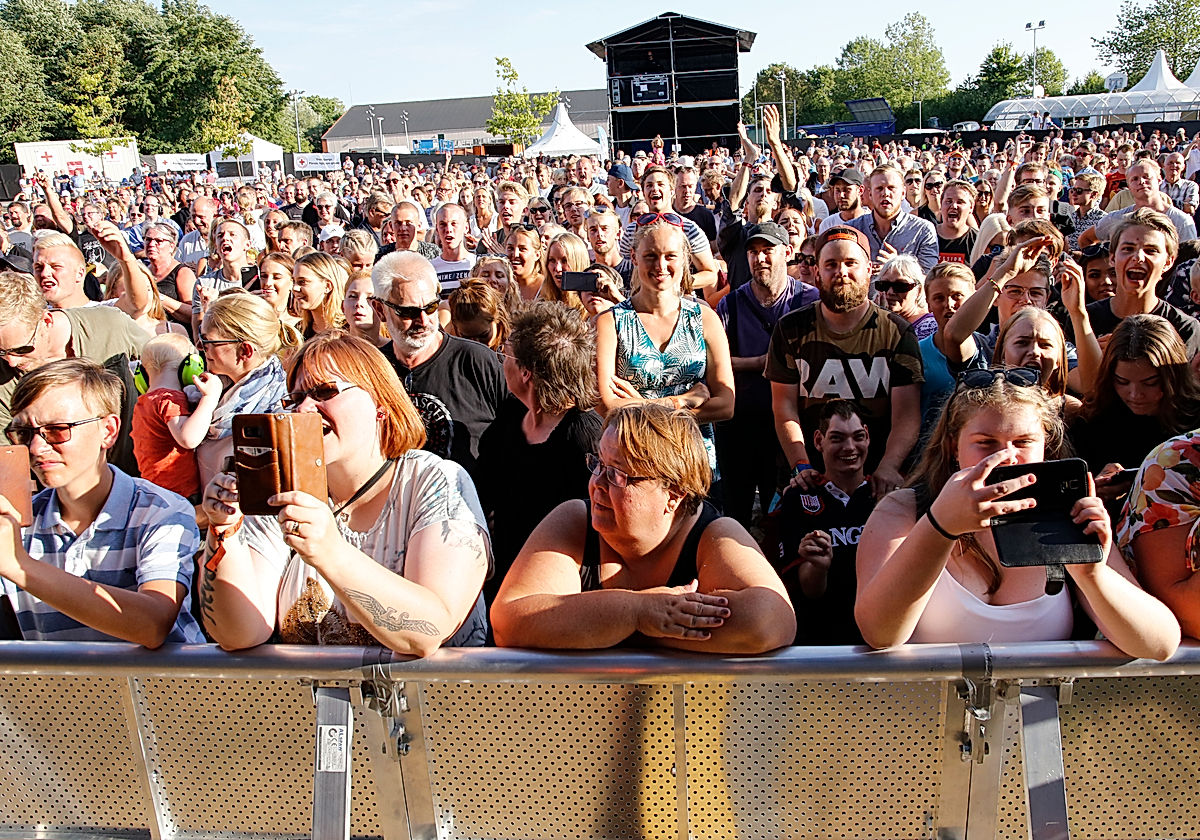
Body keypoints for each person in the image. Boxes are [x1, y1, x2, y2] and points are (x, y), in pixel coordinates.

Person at [854, 369, 1180, 659]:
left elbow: (1159, 644)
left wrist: (1093, 577)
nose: (1007, 458)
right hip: (922, 721)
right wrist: (940, 528)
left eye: (1023, 441)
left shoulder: (1067, 514)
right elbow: (880, 633)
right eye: (985, 442)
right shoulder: (904, 511)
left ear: (1046, 446)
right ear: (954, 446)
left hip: (1038, 724)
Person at [199, 333, 490, 652]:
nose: (306, 407)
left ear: (381, 404)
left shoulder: (432, 480)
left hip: (435, 700)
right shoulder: (284, 491)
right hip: (312, 701)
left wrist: (328, 551)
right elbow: (239, 634)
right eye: (294, 400)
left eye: (325, 391)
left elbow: (428, 630)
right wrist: (224, 533)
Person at [490, 402, 795, 652]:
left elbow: (769, 621)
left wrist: (596, 626)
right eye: (598, 464)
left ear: (674, 495)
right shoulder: (574, 521)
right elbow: (510, 621)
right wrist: (638, 613)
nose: (597, 483)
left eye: (618, 475)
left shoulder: (714, 535)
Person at [0, 359, 203, 644]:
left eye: (57, 430)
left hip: (160, 687)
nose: (37, 447)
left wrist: (18, 565)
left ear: (108, 431)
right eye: (23, 433)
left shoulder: (160, 512)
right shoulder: (17, 522)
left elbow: (153, 624)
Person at [766, 226, 924, 499]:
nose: (841, 272)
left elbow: (907, 415)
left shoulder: (897, 332)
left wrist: (889, 465)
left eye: (851, 263)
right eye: (831, 264)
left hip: (876, 478)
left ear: (869, 270)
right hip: (810, 476)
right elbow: (784, 407)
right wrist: (799, 464)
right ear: (817, 272)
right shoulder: (790, 329)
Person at [475, 301, 603, 605]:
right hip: (502, 579)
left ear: (526, 373)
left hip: (556, 591)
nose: (500, 360)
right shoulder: (508, 418)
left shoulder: (584, 436)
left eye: (506, 354)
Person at [596, 214, 735, 481]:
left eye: (670, 256)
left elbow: (726, 405)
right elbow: (606, 405)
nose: (660, 265)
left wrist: (638, 402)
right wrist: (681, 401)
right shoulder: (610, 322)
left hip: (692, 461)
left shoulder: (704, 318)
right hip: (633, 462)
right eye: (650, 256)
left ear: (684, 259)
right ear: (634, 258)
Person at [715, 221, 818, 527]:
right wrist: (760, 362)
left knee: (790, 511)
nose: (759, 258)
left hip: (793, 424)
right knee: (736, 511)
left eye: (767, 251)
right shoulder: (730, 303)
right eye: (753, 252)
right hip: (741, 422)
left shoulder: (809, 301)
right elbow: (714, 363)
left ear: (787, 252)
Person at [371, 251, 507, 473]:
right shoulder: (372, 369)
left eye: (431, 307)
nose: (423, 320)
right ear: (379, 309)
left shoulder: (477, 361)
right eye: (408, 312)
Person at [767, 400, 875, 645]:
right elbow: (809, 591)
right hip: (820, 639)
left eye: (858, 436)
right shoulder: (799, 497)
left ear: (867, 437)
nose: (850, 447)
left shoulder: (885, 496)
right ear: (818, 441)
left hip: (878, 636)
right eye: (837, 438)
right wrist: (818, 565)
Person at [1071, 315, 1200, 510]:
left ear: (1172, 377)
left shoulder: (1195, 417)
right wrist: (1094, 486)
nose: (1135, 394)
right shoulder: (1095, 417)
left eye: (1150, 383)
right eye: (1122, 382)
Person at [193, 292, 299, 489]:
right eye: (201, 336)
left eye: (208, 341)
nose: (199, 346)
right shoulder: (210, 388)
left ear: (245, 351)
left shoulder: (274, 414)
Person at [1085, 208, 1200, 358]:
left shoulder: (1184, 328)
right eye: (1128, 249)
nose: (1138, 257)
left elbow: (1183, 380)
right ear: (1112, 258)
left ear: (1168, 262)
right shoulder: (1084, 320)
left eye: (1151, 250)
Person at [131, 333, 220, 501]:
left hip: (154, 489)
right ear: (191, 367)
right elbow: (188, 439)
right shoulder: (169, 399)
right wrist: (210, 399)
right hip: (179, 492)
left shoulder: (143, 402)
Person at [846, 166, 939, 272]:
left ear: (903, 193)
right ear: (870, 194)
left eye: (891, 188)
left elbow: (929, 280)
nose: (885, 193)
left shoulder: (922, 230)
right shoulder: (852, 230)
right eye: (879, 188)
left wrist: (898, 267)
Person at [143, 221, 196, 328]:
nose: (151, 244)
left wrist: (159, 298)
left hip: (176, 333)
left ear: (171, 246)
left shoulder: (182, 273)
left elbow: (193, 313)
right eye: (148, 239)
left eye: (159, 241)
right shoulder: (143, 272)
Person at [876, 254, 936, 339]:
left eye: (901, 285)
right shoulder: (874, 324)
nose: (890, 292)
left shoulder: (931, 327)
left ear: (918, 290)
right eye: (884, 285)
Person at [292, 251, 348, 339]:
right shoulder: (299, 331)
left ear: (327, 286)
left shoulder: (348, 330)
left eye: (302, 282)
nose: (295, 288)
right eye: (294, 281)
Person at [446, 279, 508, 351]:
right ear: (454, 326)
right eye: (466, 338)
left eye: (484, 335)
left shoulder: (513, 352)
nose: (476, 344)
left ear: (498, 320)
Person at [431, 203, 476, 296]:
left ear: (466, 227)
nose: (448, 229)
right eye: (443, 224)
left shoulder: (477, 264)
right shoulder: (430, 268)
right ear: (437, 229)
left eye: (454, 224)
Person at [540, 231, 589, 314]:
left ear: (578, 262)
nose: (557, 268)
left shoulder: (592, 306)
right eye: (552, 260)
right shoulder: (541, 306)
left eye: (564, 261)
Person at [342, 269, 386, 347]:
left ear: (383, 308)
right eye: (352, 296)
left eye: (370, 298)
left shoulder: (398, 353)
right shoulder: (332, 351)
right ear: (342, 306)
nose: (359, 303)